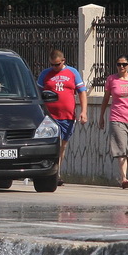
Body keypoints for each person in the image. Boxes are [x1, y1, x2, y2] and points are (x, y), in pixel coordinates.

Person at [37, 49, 88, 186]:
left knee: (61, 146)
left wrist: (84, 112)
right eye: (52, 65)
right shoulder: (45, 74)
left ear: (63, 61)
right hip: (49, 117)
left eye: (57, 65)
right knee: (50, 144)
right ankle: (50, 172)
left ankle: (56, 172)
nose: (54, 67)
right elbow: (38, 93)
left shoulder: (73, 73)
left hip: (67, 116)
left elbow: (82, 93)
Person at [98, 55, 128, 189]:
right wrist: (101, 116)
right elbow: (106, 99)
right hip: (117, 118)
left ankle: (125, 174)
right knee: (120, 148)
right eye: (119, 64)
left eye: (124, 64)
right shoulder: (111, 79)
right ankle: (124, 177)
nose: (121, 67)